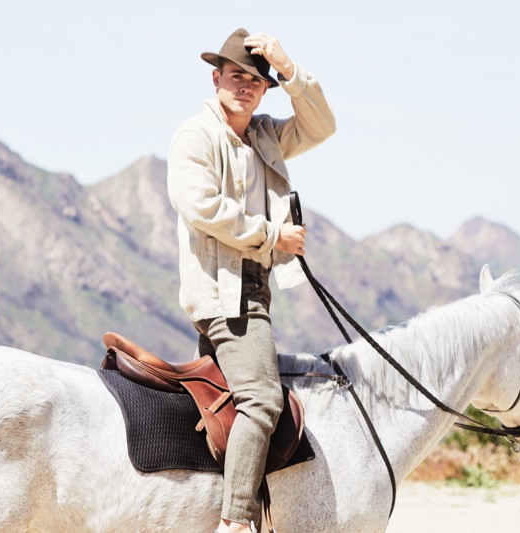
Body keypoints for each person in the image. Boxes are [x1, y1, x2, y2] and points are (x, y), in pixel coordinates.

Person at [167, 28, 335, 533]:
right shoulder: (195, 137)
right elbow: (201, 207)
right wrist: (272, 236)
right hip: (225, 296)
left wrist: (289, 68)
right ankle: (236, 522)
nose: (245, 86)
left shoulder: (264, 135)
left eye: (257, 81)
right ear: (216, 77)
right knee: (263, 399)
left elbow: (322, 125)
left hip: (252, 289)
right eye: (236, 76)